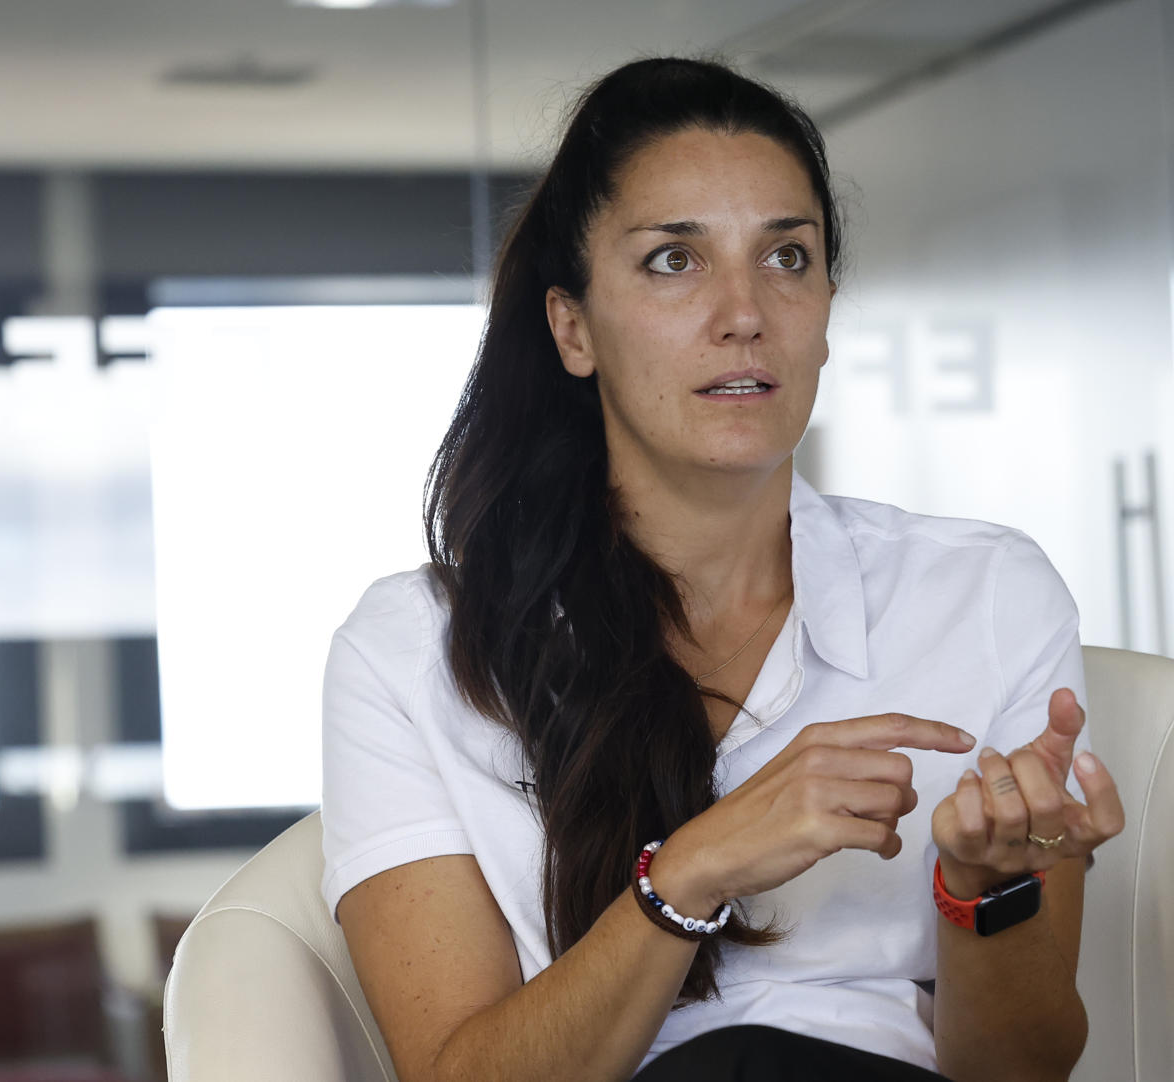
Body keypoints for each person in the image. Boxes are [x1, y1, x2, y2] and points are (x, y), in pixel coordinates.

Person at [317, 55, 1124, 1082]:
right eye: (673, 260)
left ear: (828, 306)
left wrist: (984, 885)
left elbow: (1019, 1071)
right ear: (573, 327)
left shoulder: (987, 595)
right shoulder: (414, 651)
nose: (745, 310)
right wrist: (694, 865)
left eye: (788, 257)